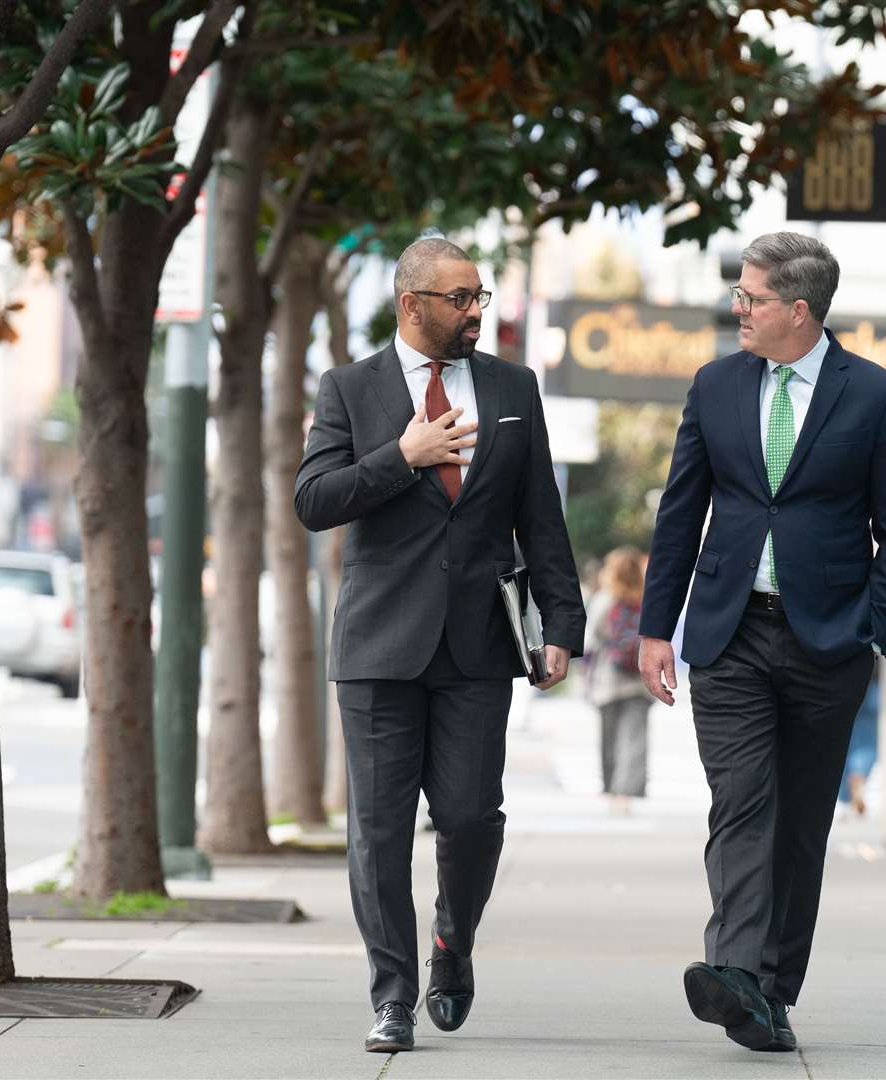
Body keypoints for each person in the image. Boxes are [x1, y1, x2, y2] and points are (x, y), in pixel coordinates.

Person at [294, 236, 584, 1053]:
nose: (474, 313)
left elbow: (542, 517)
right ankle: (392, 996)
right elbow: (314, 499)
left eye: (480, 297)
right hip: (380, 646)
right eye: (459, 299)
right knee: (380, 831)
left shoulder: (512, 387)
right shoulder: (349, 389)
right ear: (411, 304)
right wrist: (402, 457)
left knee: (469, 815)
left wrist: (561, 625)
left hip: (478, 645)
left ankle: (451, 943)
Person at [637, 232, 886, 1052]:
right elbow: (680, 512)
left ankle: (771, 989)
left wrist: (873, 630)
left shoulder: (874, 397)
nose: (739, 308)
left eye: (752, 297)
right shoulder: (716, 385)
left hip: (828, 640)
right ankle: (730, 969)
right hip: (729, 634)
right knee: (741, 804)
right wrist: (659, 626)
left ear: (799, 310)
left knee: (798, 823)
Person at [584, 547, 653, 814]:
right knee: (634, 738)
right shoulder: (646, 599)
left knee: (609, 737)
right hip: (639, 680)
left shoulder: (605, 599)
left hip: (608, 680)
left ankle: (612, 788)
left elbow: (592, 637)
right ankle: (626, 792)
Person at [839, 664, 881, 816]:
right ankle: (858, 781)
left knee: (847, 741)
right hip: (875, 683)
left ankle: (848, 794)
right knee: (867, 743)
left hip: (845, 684)